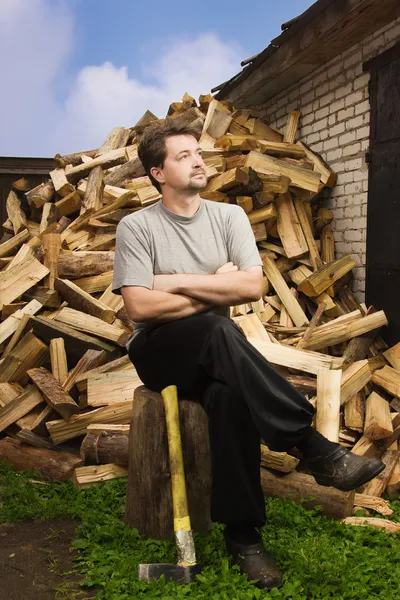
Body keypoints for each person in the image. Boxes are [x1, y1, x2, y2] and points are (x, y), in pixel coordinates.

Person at [112, 118, 385, 590]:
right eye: (183, 155)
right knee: (218, 328)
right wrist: (216, 288)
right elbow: (139, 305)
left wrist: (173, 282)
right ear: (157, 173)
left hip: (214, 351)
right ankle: (313, 448)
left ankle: (244, 537)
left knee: (229, 398)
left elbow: (252, 285)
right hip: (159, 351)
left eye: (197, 151)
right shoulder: (137, 227)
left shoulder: (229, 218)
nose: (198, 160)